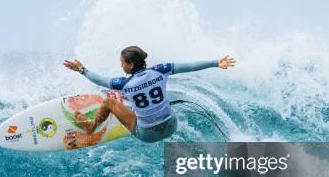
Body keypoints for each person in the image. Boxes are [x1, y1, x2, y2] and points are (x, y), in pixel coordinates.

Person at [63, 46, 236, 143]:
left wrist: (81, 69)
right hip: (171, 126)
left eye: (122, 63)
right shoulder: (161, 70)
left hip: (147, 135)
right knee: (154, 100)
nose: (121, 65)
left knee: (109, 101)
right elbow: (189, 66)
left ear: (130, 64)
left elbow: (100, 80)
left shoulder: (124, 84)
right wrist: (215, 63)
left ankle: (90, 126)